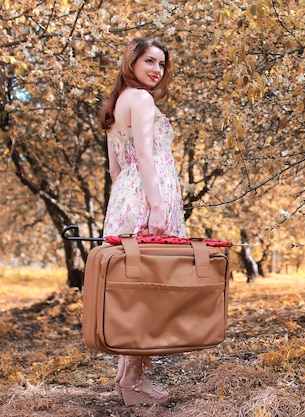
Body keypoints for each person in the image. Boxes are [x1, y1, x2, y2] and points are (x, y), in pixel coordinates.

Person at [98, 38, 186, 406]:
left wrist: (129, 200)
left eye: (161, 64)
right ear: (131, 62)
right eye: (149, 60)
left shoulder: (117, 104)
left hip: (125, 197)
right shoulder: (143, 100)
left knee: (131, 288)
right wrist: (155, 204)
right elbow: (147, 157)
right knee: (151, 288)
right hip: (150, 196)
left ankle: (126, 376)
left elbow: (115, 169)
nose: (156, 69)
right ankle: (134, 382)